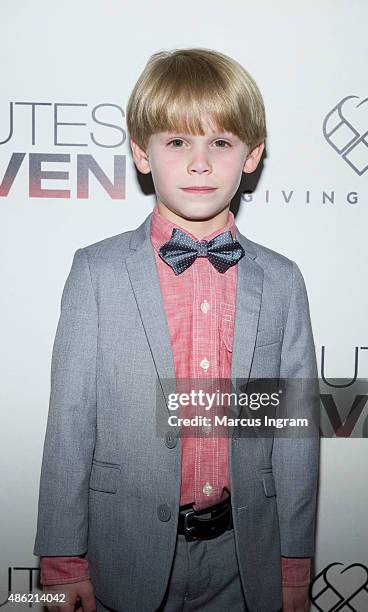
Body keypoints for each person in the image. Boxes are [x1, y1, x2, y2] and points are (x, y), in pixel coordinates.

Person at [33, 48, 319, 612]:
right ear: (142, 153)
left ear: (252, 156)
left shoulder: (282, 281)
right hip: (121, 558)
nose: (199, 163)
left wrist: (293, 565)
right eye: (177, 142)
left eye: (220, 142)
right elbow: (69, 425)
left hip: (245, 564)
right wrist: (63, 562)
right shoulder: (96, 272)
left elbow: (293, 437)